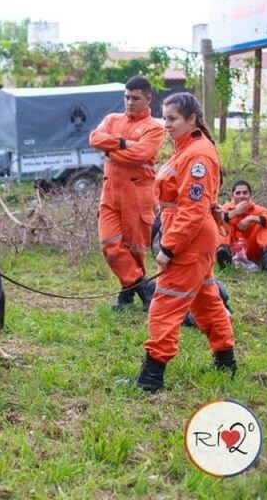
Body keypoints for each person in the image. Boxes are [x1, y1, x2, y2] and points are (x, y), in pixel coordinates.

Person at [135, 92, 236, 393]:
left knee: (165, 303)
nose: (167, 124)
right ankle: (225, 360)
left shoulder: (197, 155)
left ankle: (151, 378)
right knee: (206, 300)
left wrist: (169, 248)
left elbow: (191, 210)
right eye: (164, 118)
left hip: (189, 240)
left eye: (173, 119)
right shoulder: (187, 148)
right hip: (192, 236)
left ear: (191, 119)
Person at [89, 76, 165, 311]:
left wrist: (110, 151)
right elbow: (94, 138)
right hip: (110, 195)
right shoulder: (112, 119)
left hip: (138, 196)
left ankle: (126, 294)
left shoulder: (154, 127)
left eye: (135, 98)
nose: (130, 102)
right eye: (127, 97)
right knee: (110, 246)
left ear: (148, 98)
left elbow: (140, 155)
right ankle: (144, 290)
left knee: (135, 250)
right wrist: (123, 143)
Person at [216, 180, 267, 274]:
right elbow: (214, 221)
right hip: (232, 249)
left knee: (266, 226)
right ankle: (224, 257)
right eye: (238, 193)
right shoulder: (226, 208)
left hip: (252, 249)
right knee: (223, 225)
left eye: (245, 193)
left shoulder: (257, 210)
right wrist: (235, 212)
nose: (241, 196)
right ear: (233, 195)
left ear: (250, 195)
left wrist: (252, 218)